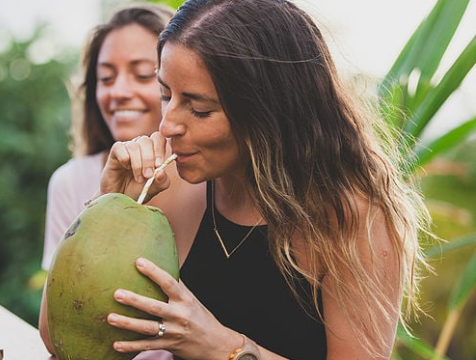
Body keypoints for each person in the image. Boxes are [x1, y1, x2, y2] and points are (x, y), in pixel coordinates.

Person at [93, 0, 433, 359]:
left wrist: (223, 347)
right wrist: (108, 212)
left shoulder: (352, 219)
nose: (167, 125)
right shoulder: (173, 189)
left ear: (266, 111)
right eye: (166, 95)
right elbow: (70, 341)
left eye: (199, 109)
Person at [37, 3, 175, 358]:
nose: (119, 92)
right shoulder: (71, 180)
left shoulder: (206, 181)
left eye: (144, 75)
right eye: (106, 77)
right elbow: (58, 335)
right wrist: (104, 199)